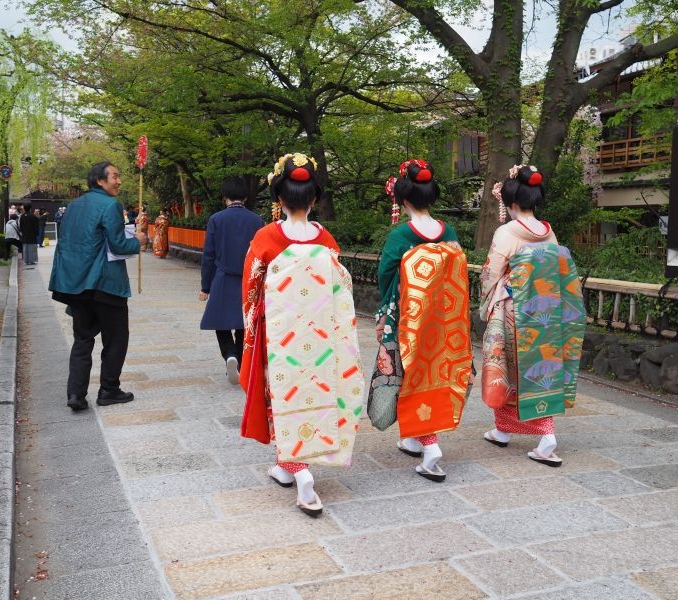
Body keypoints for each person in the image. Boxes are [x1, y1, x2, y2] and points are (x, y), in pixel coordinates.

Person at [239, 152, 364, 517]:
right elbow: (342, 291)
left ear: (278, 199)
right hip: (324, 339)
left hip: (280, 339)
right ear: (313, 199)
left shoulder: (265, 237)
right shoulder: (327, 240)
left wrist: (250, 333)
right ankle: (286, 466)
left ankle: (302, 474)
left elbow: (250, 290)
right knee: (317, 391)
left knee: (282, 396)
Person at [367, 160, 473, 483]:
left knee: (410, 374)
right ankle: (414, 436)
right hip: (443, 321)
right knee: (434, 372)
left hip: (408, 319)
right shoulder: (449, 233)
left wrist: (391, 304)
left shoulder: (401, 235)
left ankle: (430, 446)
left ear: (404, 200)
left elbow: (385, 275)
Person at [479, 165, 586, 467]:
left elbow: (491, 274)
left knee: (510, 371)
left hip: (514, 311)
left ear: (511, 203)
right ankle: (502, 429)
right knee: (540, 369)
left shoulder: (507, 232)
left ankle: (546, 435)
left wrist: (485, 304)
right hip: (545, 313)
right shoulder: (547, 231)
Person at [48, 161, 147, 411]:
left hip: (76, 284)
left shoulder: (73, 205)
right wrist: (139, 240)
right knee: (116, 339)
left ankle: (76, 394)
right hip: (105, 282)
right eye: (115, 176)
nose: (119, 181)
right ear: (100, 180)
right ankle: (109, 390)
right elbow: (117, 245)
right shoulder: (111, 204)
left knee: (82, 339)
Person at [199, 176, 264, 384]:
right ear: (245, 196)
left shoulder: (216, 219)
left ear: (224, 196)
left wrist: (205, 286)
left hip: (223, 278)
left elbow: (208, 255)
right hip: (249, 279)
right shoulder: (257, 220)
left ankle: (230, 355)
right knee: (245, 324)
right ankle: (241, 360)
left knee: (222, 323)